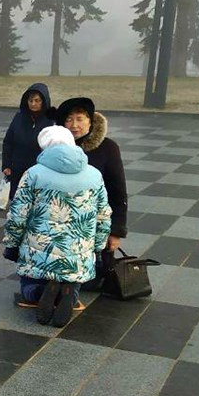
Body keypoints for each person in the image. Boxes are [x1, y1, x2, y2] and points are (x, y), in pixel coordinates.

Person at [4, 126, 112, 327]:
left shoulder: (33, 174)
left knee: (28, 283)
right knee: (74, 277)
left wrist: (11, 244)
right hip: (78, 252)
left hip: (40, 250)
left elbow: (18, 214)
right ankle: (69, 293)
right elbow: (103, 215)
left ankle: (39, 292)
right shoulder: (94, 175)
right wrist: (98, 247)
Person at [53, 97, 128, 290]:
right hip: (61, 224)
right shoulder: (55, 149)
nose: (74, 125)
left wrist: (116, 231)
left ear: (90, 121)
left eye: (80, 119)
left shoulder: (108, 148)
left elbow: (118, 191)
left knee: (89, 282)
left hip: (93, 226)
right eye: (69, 120)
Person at [2, 83, 53, 200]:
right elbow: (8, 142)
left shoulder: (51, 120)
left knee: (37, 204)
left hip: (40, 170)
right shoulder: (19, 117)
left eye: (37, 101)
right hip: (18, 169)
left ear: (44, 101)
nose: (33, 104)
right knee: (17, 203)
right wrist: (6, 164)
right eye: (30, 101)